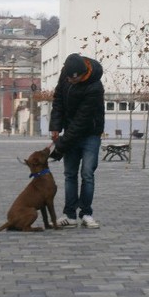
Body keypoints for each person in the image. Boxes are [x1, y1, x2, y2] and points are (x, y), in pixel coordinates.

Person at [49, 53, 105, 229]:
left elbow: (82, 121)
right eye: (68, 78)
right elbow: (58, 99)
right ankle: (70, 215)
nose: (70, 82)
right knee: (70, 174)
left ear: (83, 74)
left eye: (74, 80)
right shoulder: (68, 73)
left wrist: (59, 148)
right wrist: (56, 126)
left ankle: (86, 213)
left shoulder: (95, 86)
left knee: (87, 174)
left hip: (90, 134)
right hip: (69, 132)